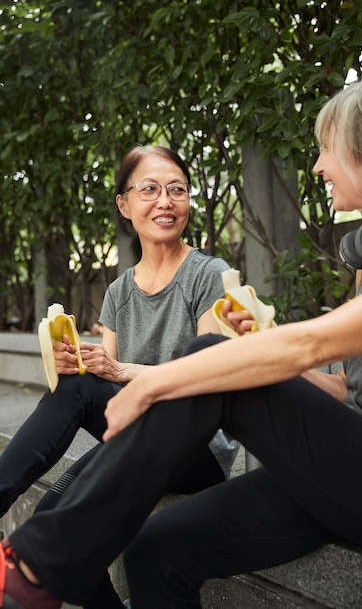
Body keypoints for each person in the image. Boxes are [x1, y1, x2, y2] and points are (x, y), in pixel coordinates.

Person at [2, 74, 362, 609]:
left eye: (326, 150)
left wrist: (158, 382)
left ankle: (34, 566)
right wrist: (267, 351)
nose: (317, 166)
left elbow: (315, 343)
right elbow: (346, 390)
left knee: (213, 358)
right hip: (346, 470)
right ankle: (40, 560)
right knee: (155, 549)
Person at [0, 144, 239, 609]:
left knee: (82, 395)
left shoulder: (210, 275)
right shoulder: (118, 291)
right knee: (51, 519)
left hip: (198, 448)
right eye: (149, 189)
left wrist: (114, 370)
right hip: (136, 442)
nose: (165, 201)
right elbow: (102, 391)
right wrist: (76, 362)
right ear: (125, 205)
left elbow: (209, 375)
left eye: (177, 190)